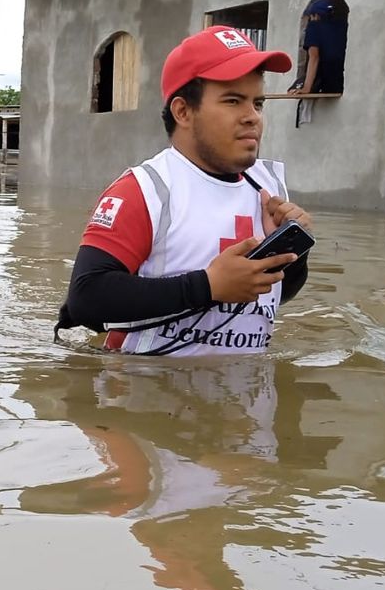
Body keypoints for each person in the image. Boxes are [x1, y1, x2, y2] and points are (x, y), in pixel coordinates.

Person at [58, 26, 312, 356]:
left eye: (258, 103)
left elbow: (275, 295)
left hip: (244, 397)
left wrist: (293, 256)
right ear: (183, 111)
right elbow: (86, 299)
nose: (252, 117)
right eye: (233, 101)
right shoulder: (145, 190)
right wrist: (208, 287)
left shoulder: (269, 187)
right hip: (146, 392)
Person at [289, 0, 346, 95]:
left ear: (315, 15)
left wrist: (306, 88)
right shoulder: (342, 26)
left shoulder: (314, 27)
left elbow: (314, 57)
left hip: (324, 79)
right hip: (339, 80)